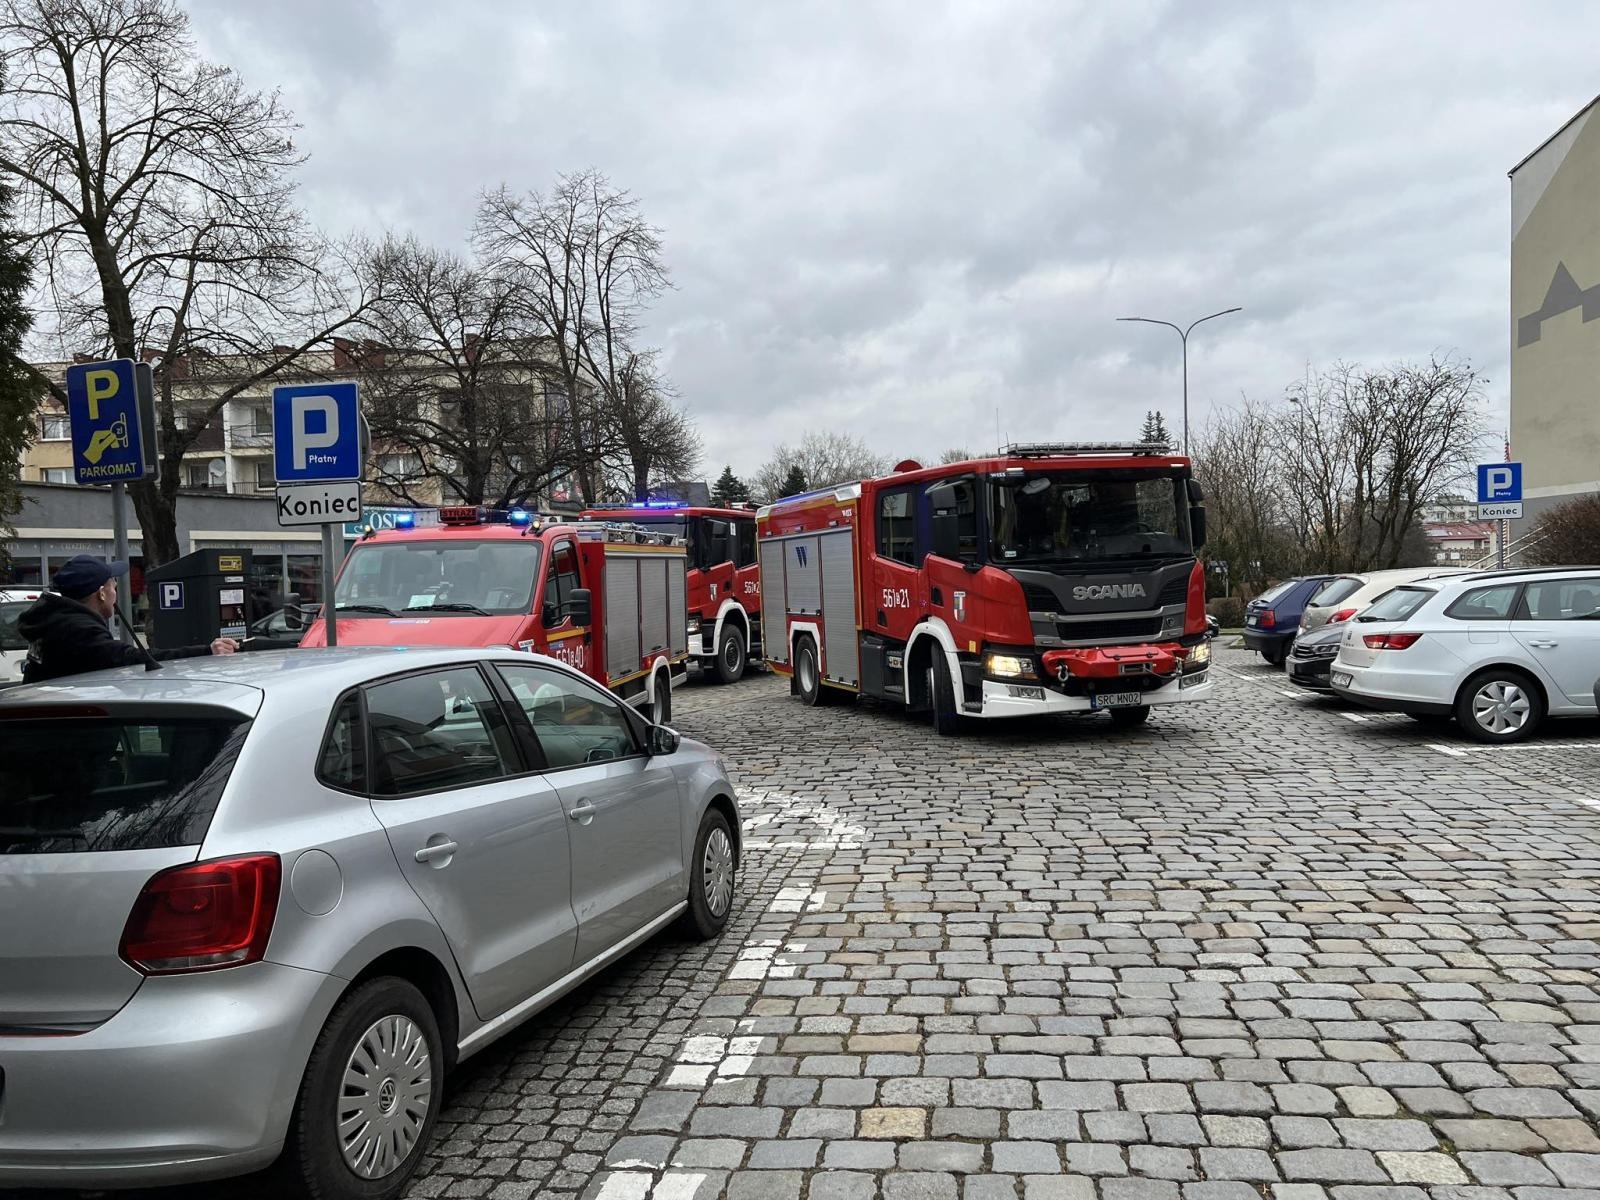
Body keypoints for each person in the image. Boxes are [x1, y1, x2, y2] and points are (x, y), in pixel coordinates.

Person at [17, 556, 238, 683]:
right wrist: (207, 651)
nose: (116, 593)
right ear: (101, 594)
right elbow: (131, 658)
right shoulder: (79, 632)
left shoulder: (54, 624)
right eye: (113, 587)